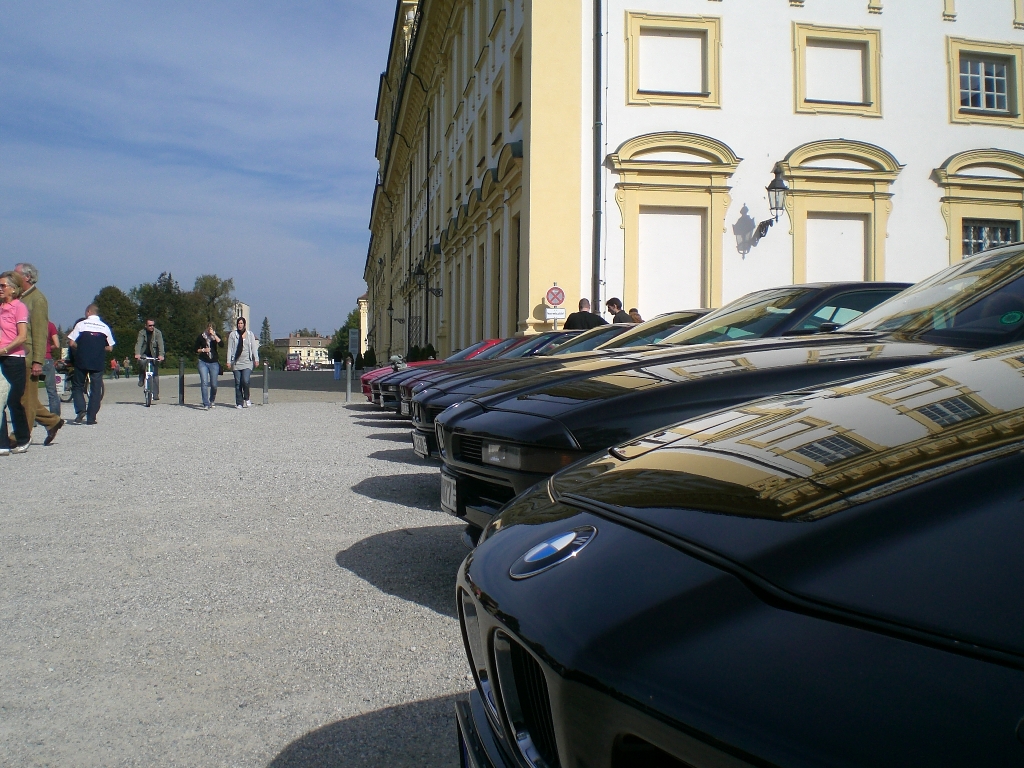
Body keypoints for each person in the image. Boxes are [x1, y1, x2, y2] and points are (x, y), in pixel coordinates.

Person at [14, 262, 65, 445]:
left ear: (27, 277)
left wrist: (38, 361)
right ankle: (52, 421)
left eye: (16, 274)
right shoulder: (19, 298)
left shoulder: (37, 300)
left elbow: (40, 332)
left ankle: (22, 436)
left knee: (26, 398)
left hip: (29, 357)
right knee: (23, 396)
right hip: (17, 355)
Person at [0, 271, 32, 454]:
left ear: (13, 288)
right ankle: (2, 443)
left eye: (3, 286)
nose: (0, 289)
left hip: (14, 358)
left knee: (13, 400)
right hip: (1, 357)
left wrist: (4, 349)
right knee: (0, 401)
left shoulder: (19, 307)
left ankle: (23, 437)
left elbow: (22, 336)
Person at [68, 305, 114, 426]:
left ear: (88, 312)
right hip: (97, 361)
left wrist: (81, 347)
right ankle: (91, 417)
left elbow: (71, 342)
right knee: (96, 389)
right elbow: (110, 347)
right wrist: (99, 348)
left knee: (77, 386)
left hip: (82, 360)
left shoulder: (81, 324)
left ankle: (81, 410)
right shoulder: (105, 327)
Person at [226, 317, 259, 409]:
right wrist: (228, 361)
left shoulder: (250, 334)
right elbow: (230, 349)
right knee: (238, 383)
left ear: (244, 324)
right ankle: (239, 402)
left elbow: (254, 348)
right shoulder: (233, 335)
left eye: (241, 323)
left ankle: (247, 398)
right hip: (236, 362)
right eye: (238, 323)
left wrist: (256, 359)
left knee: (245, 381)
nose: (240, 325)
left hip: (247, 362)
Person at [134, 319, 165, 399]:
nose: (152, 327)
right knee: (142, 363)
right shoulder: (142, 333)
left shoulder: (158, 333)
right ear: (146, 326)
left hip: (154, 354)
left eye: (153, 325)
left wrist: (161, 355)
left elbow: (161, 345)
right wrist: (137, 353)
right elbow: (139, 344)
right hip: (144, 353)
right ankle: (142, 376)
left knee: (155, 374)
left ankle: (155, 394)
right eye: (150, 325)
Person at [196, 322, 222, 410]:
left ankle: (212, 400)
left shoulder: (215, 336)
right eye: (208, 328)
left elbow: (221, 344)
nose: (209, 330)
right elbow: (195, 349)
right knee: (204, 382)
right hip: (203, 361)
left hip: (214, 362)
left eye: (211, 328)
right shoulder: (201, 336)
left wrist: (214, 335)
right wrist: (203, 350)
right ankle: (206, 403)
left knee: (214, 384)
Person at [44, 320, 62, 416]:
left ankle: (32, 417)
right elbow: (57, 344)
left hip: (33, 358)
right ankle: (55, 417)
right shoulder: (50, 325)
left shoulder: (30, 324)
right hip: (47, 358)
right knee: (52, 391)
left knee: (31, 392)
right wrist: (48, 348)